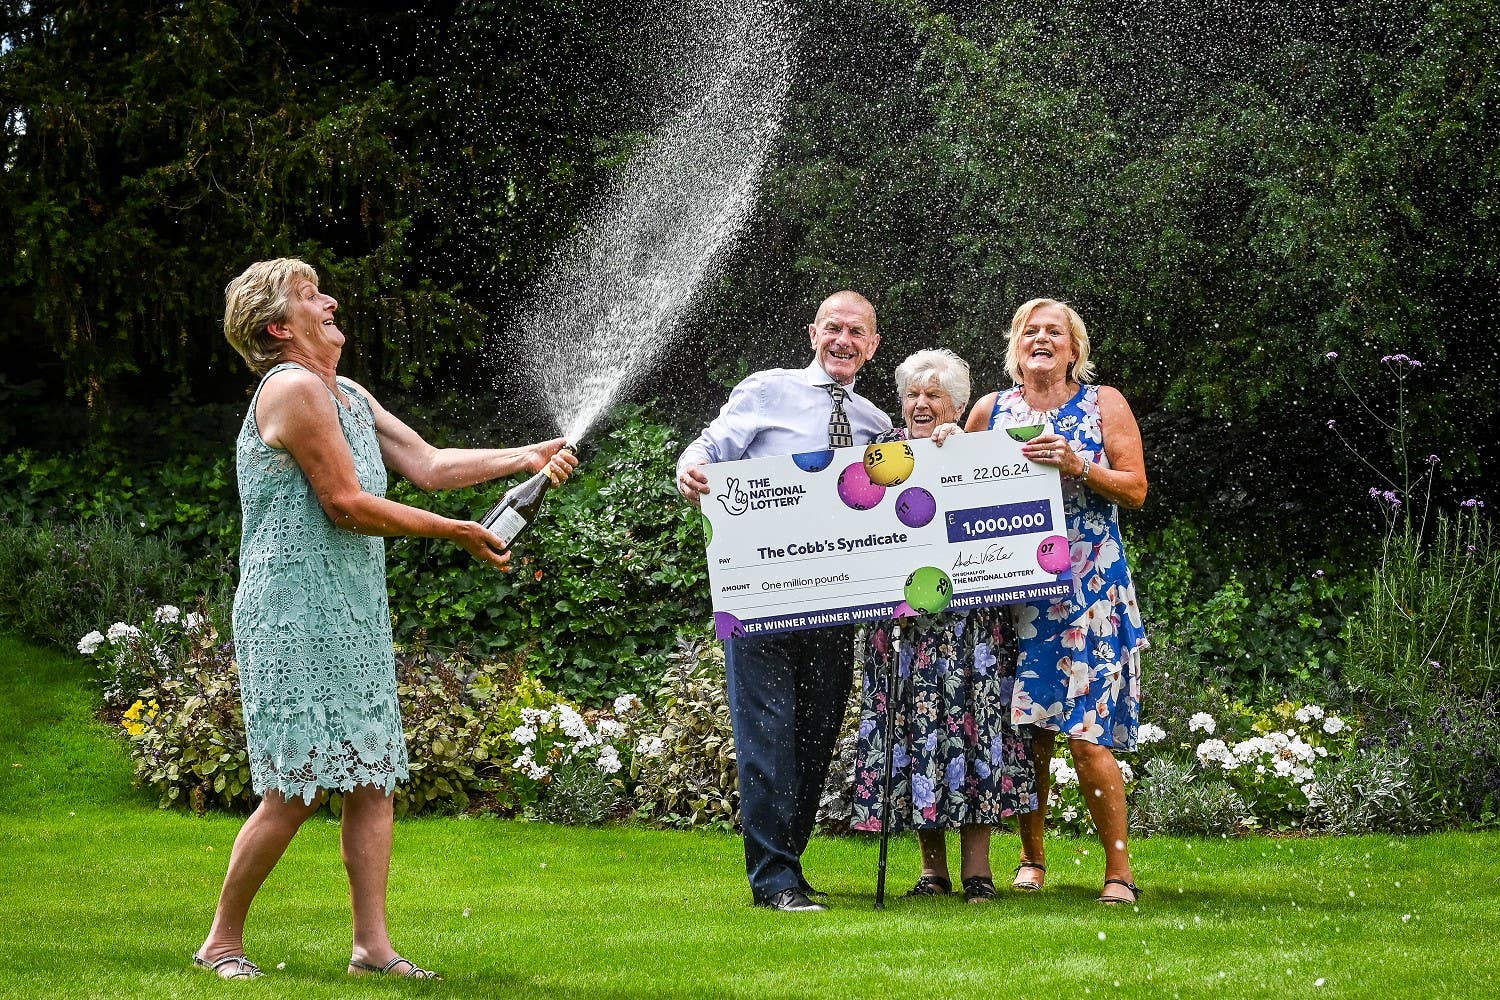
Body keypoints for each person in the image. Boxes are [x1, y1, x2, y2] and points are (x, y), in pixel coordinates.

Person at [193, 258, 577, 980]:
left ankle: (372, 949)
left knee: (372, 776)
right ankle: (222, 941)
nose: (330, 300)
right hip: (292, 612)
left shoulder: (351, 395)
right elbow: (346, 503)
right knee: (297, 785)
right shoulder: (294, 389)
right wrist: (459, 532)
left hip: (352, 608)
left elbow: (427, 464)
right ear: (279, 328)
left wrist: (521, 457)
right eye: (310, 297)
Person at [677, 290, 891, 911]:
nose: (843, 340)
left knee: (816, 733)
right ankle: (772, 880)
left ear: (872, 346)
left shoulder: (876, 424)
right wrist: (691, 469)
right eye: (833, 328)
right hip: (761, 596)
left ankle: (788, 866)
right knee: (766, 731)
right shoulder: (767, 390)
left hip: (837, 602)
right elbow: (709, 448)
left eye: (857, 332)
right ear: (812, 333)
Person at [964, 298, 1148, 905]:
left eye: (1055, 333)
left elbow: (1137, 488)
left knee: (1087, 737)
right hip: (1015, 596)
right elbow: (953, 486)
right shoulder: (990, 411)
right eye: (1030, 332)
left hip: (1089, 589)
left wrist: (1079, 465)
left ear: (1075, 351)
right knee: (1028, 735)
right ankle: (1032, 860)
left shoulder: (1103, 404)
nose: (1041, 340)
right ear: (1015, 348)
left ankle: (1118, 873)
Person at [849, 349, 1036, 903]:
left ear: (956, 404)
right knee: (914, 739)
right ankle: (933, 871)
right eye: (913, 394)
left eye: (935, 395)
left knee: (975, 735)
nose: (922, 403)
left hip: (969, 627)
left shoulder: (976, 452)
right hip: (901, 628)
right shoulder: (876, 457)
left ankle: (978, 871)